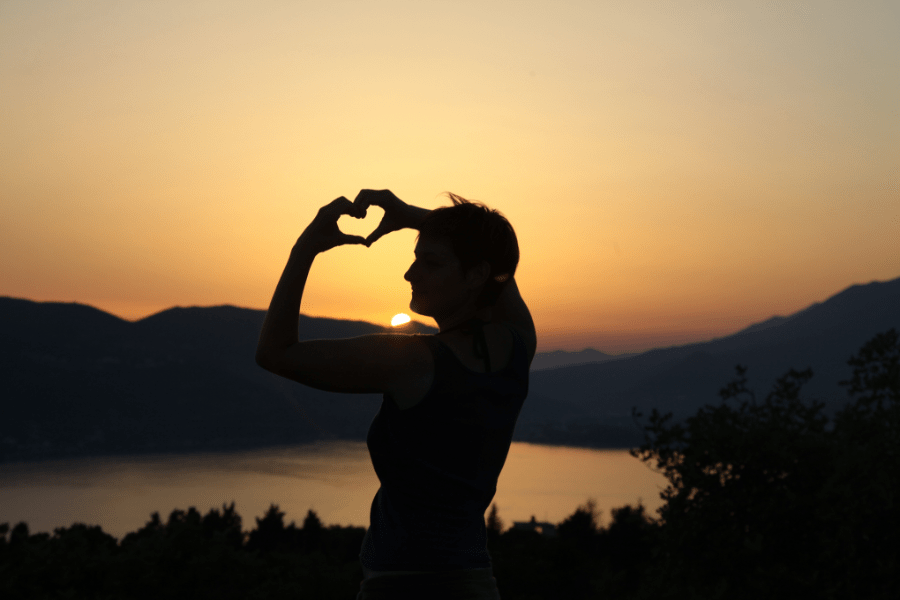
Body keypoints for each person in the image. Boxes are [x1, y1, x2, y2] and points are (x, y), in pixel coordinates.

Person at [256, 189, 536, 600]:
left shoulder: (412, 361)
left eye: (430, 262)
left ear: (475, 275)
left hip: (403, 586)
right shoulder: (518, 345)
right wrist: (412, 216)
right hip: (476, 583)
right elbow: (500, 272)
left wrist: (305, 249)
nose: (410, 273)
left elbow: (275, 353)